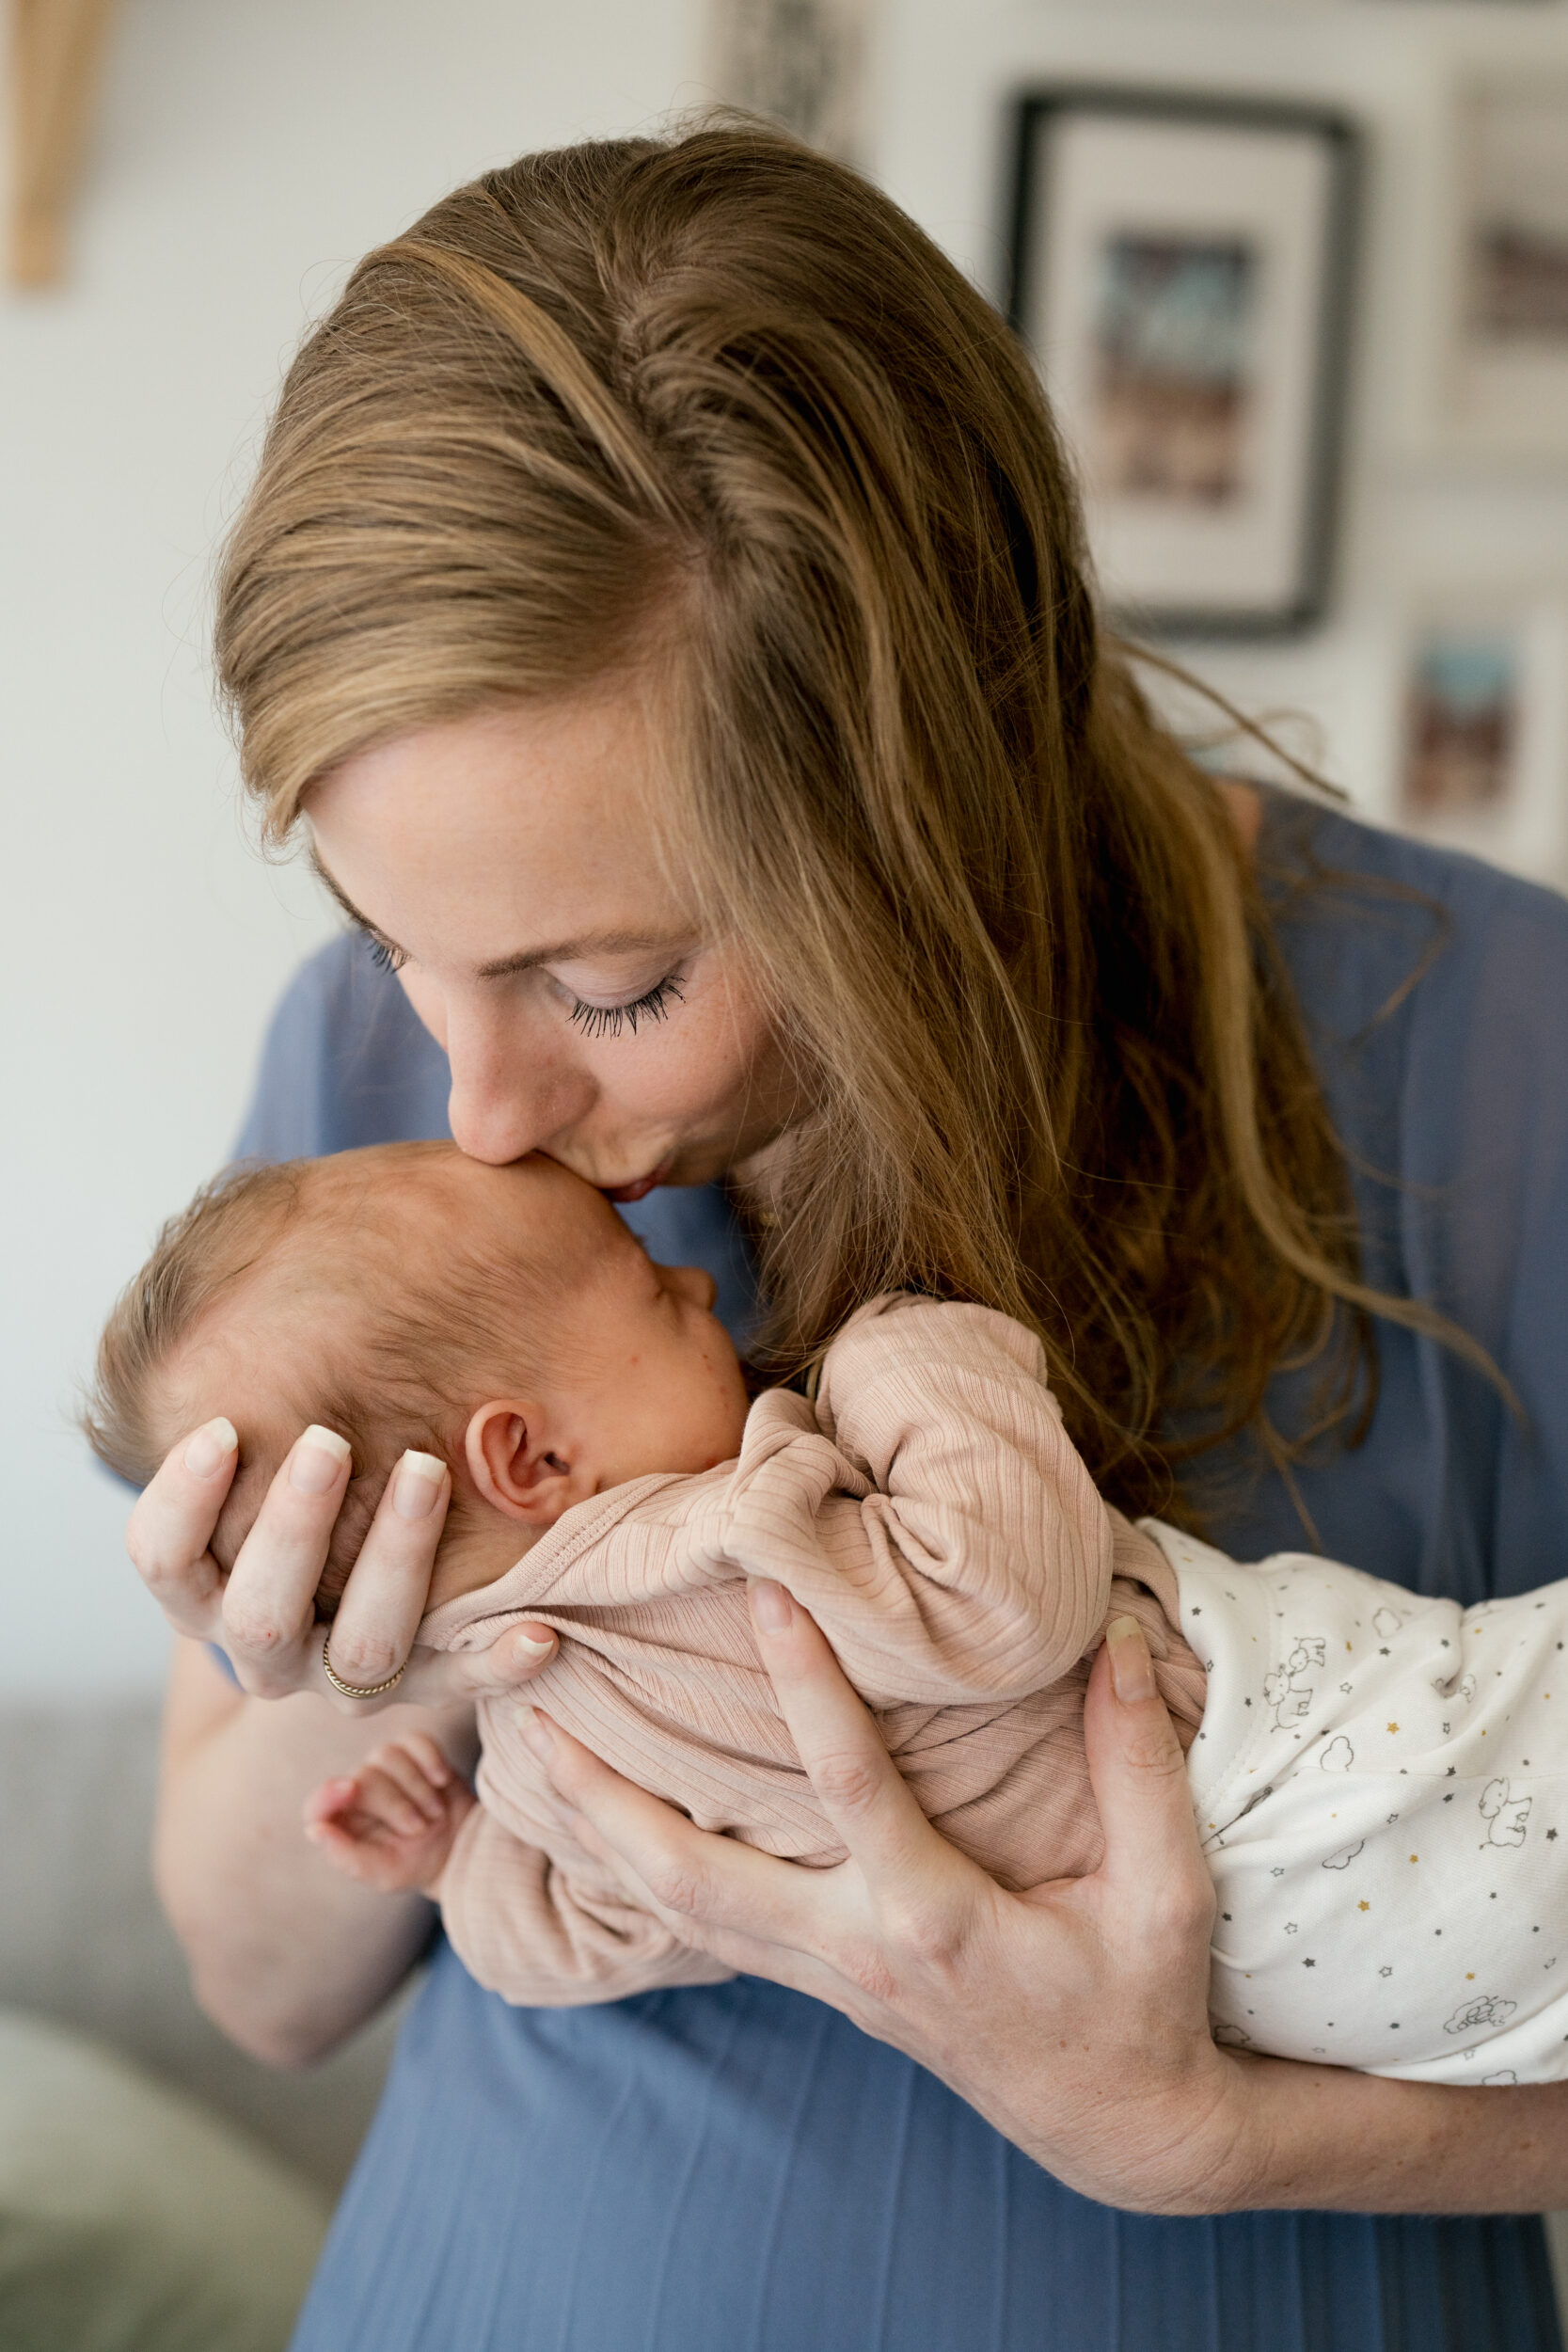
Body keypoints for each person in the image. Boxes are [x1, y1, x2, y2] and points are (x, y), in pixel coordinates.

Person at [121, 125, 1568, 2349]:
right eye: (393, 940)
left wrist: (1219, 2137)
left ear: (936, 803)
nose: (485, 1108)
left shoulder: (1496, 1050)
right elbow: (259, 1976)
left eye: (611, 987)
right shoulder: (375, 1111)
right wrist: (386, 1666)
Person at [96, 1138, 1568, 2081]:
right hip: (1304, 1801)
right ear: (531, 1456)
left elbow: (571, 1938)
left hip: (1304, 1995)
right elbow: (1001, 1598)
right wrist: (906, 1349)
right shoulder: (734, 1539)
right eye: (652, 1296)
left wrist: (457, 1861)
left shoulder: (545, 1753)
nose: (697, 1282)